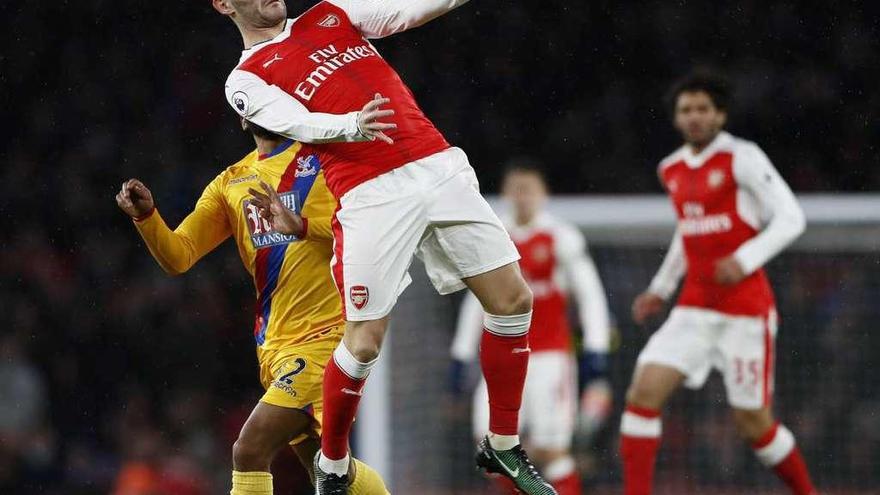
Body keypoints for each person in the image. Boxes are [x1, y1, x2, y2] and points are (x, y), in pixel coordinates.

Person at [212, 1, 556, 493]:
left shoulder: (330, 13)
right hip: (369, 190)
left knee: (513, 301)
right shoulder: (243, 79)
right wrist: (350, 125)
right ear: (224, 5)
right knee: (365, 341)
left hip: (435, 164)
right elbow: (295, 121)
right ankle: (332, 464)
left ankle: (501, 444)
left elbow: (406, 9)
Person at [115, 120, 389, 495]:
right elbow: (180, 255)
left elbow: (373, 227)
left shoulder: (326, 160)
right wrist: (147, 218)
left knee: (249, 449)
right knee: (327, 471)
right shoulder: (232, 182)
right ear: (244, 116)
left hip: (326, 338)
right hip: (275, 348)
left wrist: (304, 226)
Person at [620, 72, 817, 495]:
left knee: (753, 425)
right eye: (686, 110)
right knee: (642, 393)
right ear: (676, 117)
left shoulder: (743, 157)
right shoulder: (670, 168)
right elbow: (686, 231)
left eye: (703, 109)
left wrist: (745, 259)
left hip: (745, 312)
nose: (694, 117)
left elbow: (791, 218)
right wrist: (661, 288)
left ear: (720, 115)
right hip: (693, 308)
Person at [450, 161, 613, 495]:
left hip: (549, 359)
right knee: (492, 451)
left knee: (552, 452)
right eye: (517, 189)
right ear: (507, 193)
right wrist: (461, 354)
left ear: (543, 194)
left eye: (530, 189)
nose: (523, 197)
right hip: (501, 361)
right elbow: (476, 299)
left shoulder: (560, 237)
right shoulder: (495, 237)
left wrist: (596, 347)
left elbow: (591, 295)